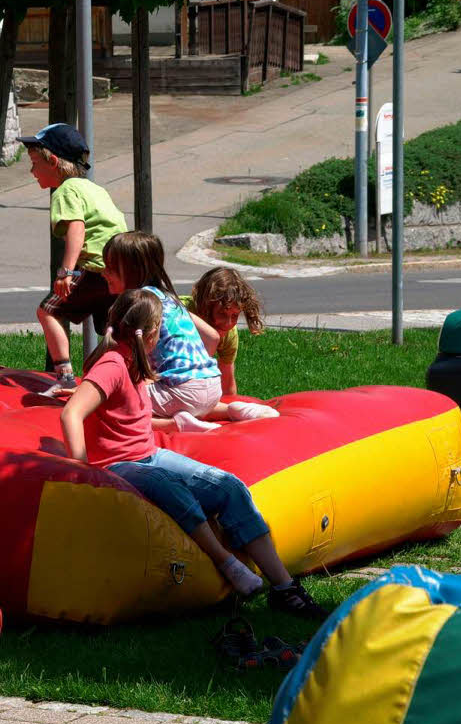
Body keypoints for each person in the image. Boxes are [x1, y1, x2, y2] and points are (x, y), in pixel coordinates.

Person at [60, 289, 327, 619]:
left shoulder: (136, 363)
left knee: (228, 486)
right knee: (168, 486)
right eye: (161, 330)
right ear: (151, 332)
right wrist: (81, 470)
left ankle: (284, 587)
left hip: (148, 454)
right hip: (119, 464)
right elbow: (71, 413)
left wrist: (174, 423)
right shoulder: (113, 364)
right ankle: (225, 562)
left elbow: (129, 417)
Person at [100, 231, 277, 433]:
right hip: (210, 387)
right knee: (190, 401)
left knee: (112, 403)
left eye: (111, 268)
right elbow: (212, 336)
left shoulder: (136, 304)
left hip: (182, 392)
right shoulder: (169, 298)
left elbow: (121, 359)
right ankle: (234, 410)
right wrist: (190, 370)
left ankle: (175, 424)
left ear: (131, 271)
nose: (103, 272)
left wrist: (96, 388)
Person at [19, 123, 127, 389]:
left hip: (94, 268)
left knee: (48, 312)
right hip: (119, 268)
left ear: (53, 161)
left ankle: (65, 377)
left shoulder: (66, 190)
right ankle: (127, 373)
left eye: (34, 163)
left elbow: (77, 228)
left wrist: (66, 272)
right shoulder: (95, 189)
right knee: (111, 330)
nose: (32, 171)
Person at [183, 267, 265, 398]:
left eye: (235, 315)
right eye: (221, 313)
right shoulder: (179, 316)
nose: (228, 323)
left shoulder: (229, 334)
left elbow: (227, 386)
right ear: (205, 306)